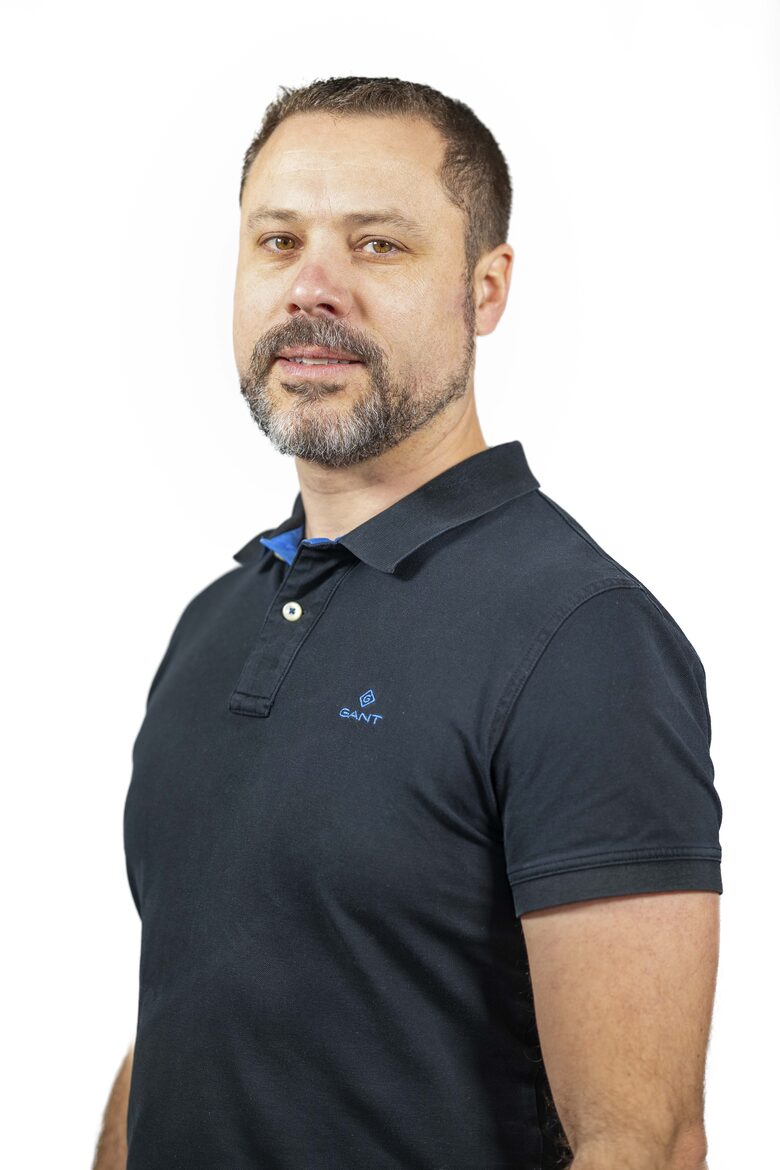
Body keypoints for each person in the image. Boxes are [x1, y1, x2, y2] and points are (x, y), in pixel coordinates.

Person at [93, 76, 722, 1170]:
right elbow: (187, 1017)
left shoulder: (583, 639)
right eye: (278, 241)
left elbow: (644, 1142)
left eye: (377, 245)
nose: (313, 287)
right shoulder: (214, 624)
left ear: (486, 289)